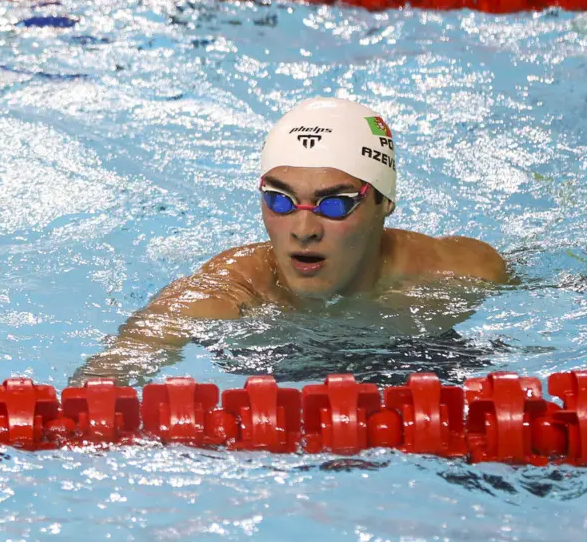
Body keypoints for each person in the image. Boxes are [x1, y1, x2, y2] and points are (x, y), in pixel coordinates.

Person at [75, 97, 508, 383]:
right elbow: (107, 378)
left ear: (385, 201)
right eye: (280, 200)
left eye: (334, 204)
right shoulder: (230, 293)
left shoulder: (459, 273)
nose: (303, 229)